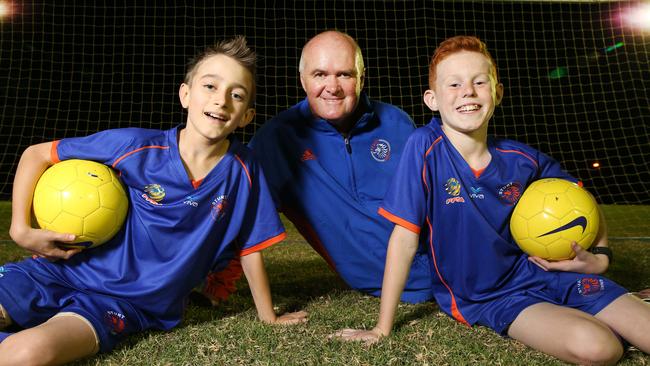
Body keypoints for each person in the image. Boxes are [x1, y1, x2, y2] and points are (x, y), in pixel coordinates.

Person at [333, 36, 650, 364]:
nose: (467, 92)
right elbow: (403, 240)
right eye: (454, 84)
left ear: (497, 92)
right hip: (492, 297)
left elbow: (582, 198)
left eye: (479, 82)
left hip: (553, 274)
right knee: (601, 348)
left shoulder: (520, 159)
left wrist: (600, 258)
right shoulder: (425, 147)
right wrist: (382, 327)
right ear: (432, 99)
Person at [0, 36, 307, 365]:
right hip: (56, 272)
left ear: (246, 116)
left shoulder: (244, 171)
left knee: (25, 354)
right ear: (185, 95)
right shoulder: (135, 146)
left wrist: (268, 317)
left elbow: (249, 247)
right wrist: (21, 229)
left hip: (120, 303)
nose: (221, 101)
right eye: (210, 86)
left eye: (236, 94)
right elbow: (36, 154)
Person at [202, 30, 434, 305]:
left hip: (450, 268)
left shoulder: (397, 123)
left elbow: (435, 200)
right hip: (393, 286)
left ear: (362, 76)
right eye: (320, 75)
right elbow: (240, 211)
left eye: (345, 74)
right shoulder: (278, 139)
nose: (332, 87)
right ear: (302, 79)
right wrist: (216, 287)